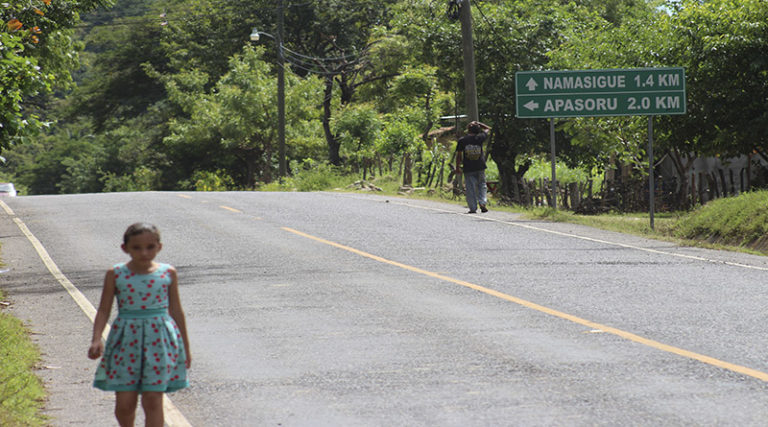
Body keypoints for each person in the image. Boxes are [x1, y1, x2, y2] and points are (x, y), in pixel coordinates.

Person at [88, 223, 190, 427]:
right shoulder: (116, 274)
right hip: (126, 341)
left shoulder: (167, 273)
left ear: (159, 247)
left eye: (150, 247)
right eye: (137, 248)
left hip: (159, 341)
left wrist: (185, 348)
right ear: (125, 248)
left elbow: (176, 311)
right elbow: (104, 309)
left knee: (153, 400)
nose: (144, 252)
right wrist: (96, 339)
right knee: (125, 404)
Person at [455, 120, 491, 213]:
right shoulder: (480, 137)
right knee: (482, 185)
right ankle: (482, 202)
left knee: (470, 188)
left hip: (468, 168)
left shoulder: (462, 140)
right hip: (480, 166)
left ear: (468, 129)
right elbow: (488, 129)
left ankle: (473, 208)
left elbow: (459, 155)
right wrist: (480, 123)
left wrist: (458, 167)